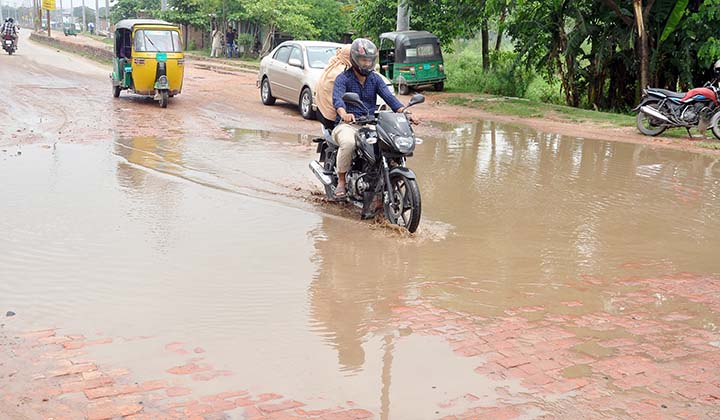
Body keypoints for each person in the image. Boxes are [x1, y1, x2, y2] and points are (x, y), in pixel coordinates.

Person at [331, 38, 418, 198]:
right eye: (363, 60)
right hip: (347, 125)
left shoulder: (375, 79)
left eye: (369, 60)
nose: (366, 64)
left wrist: (405, 112)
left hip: (369, 124)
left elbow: (389, 98)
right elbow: (338, 100)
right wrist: (344, 114)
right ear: (355, 59)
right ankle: (342, 181)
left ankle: (384, 180)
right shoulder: (343, 79)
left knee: (390, 144)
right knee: (349, 144)